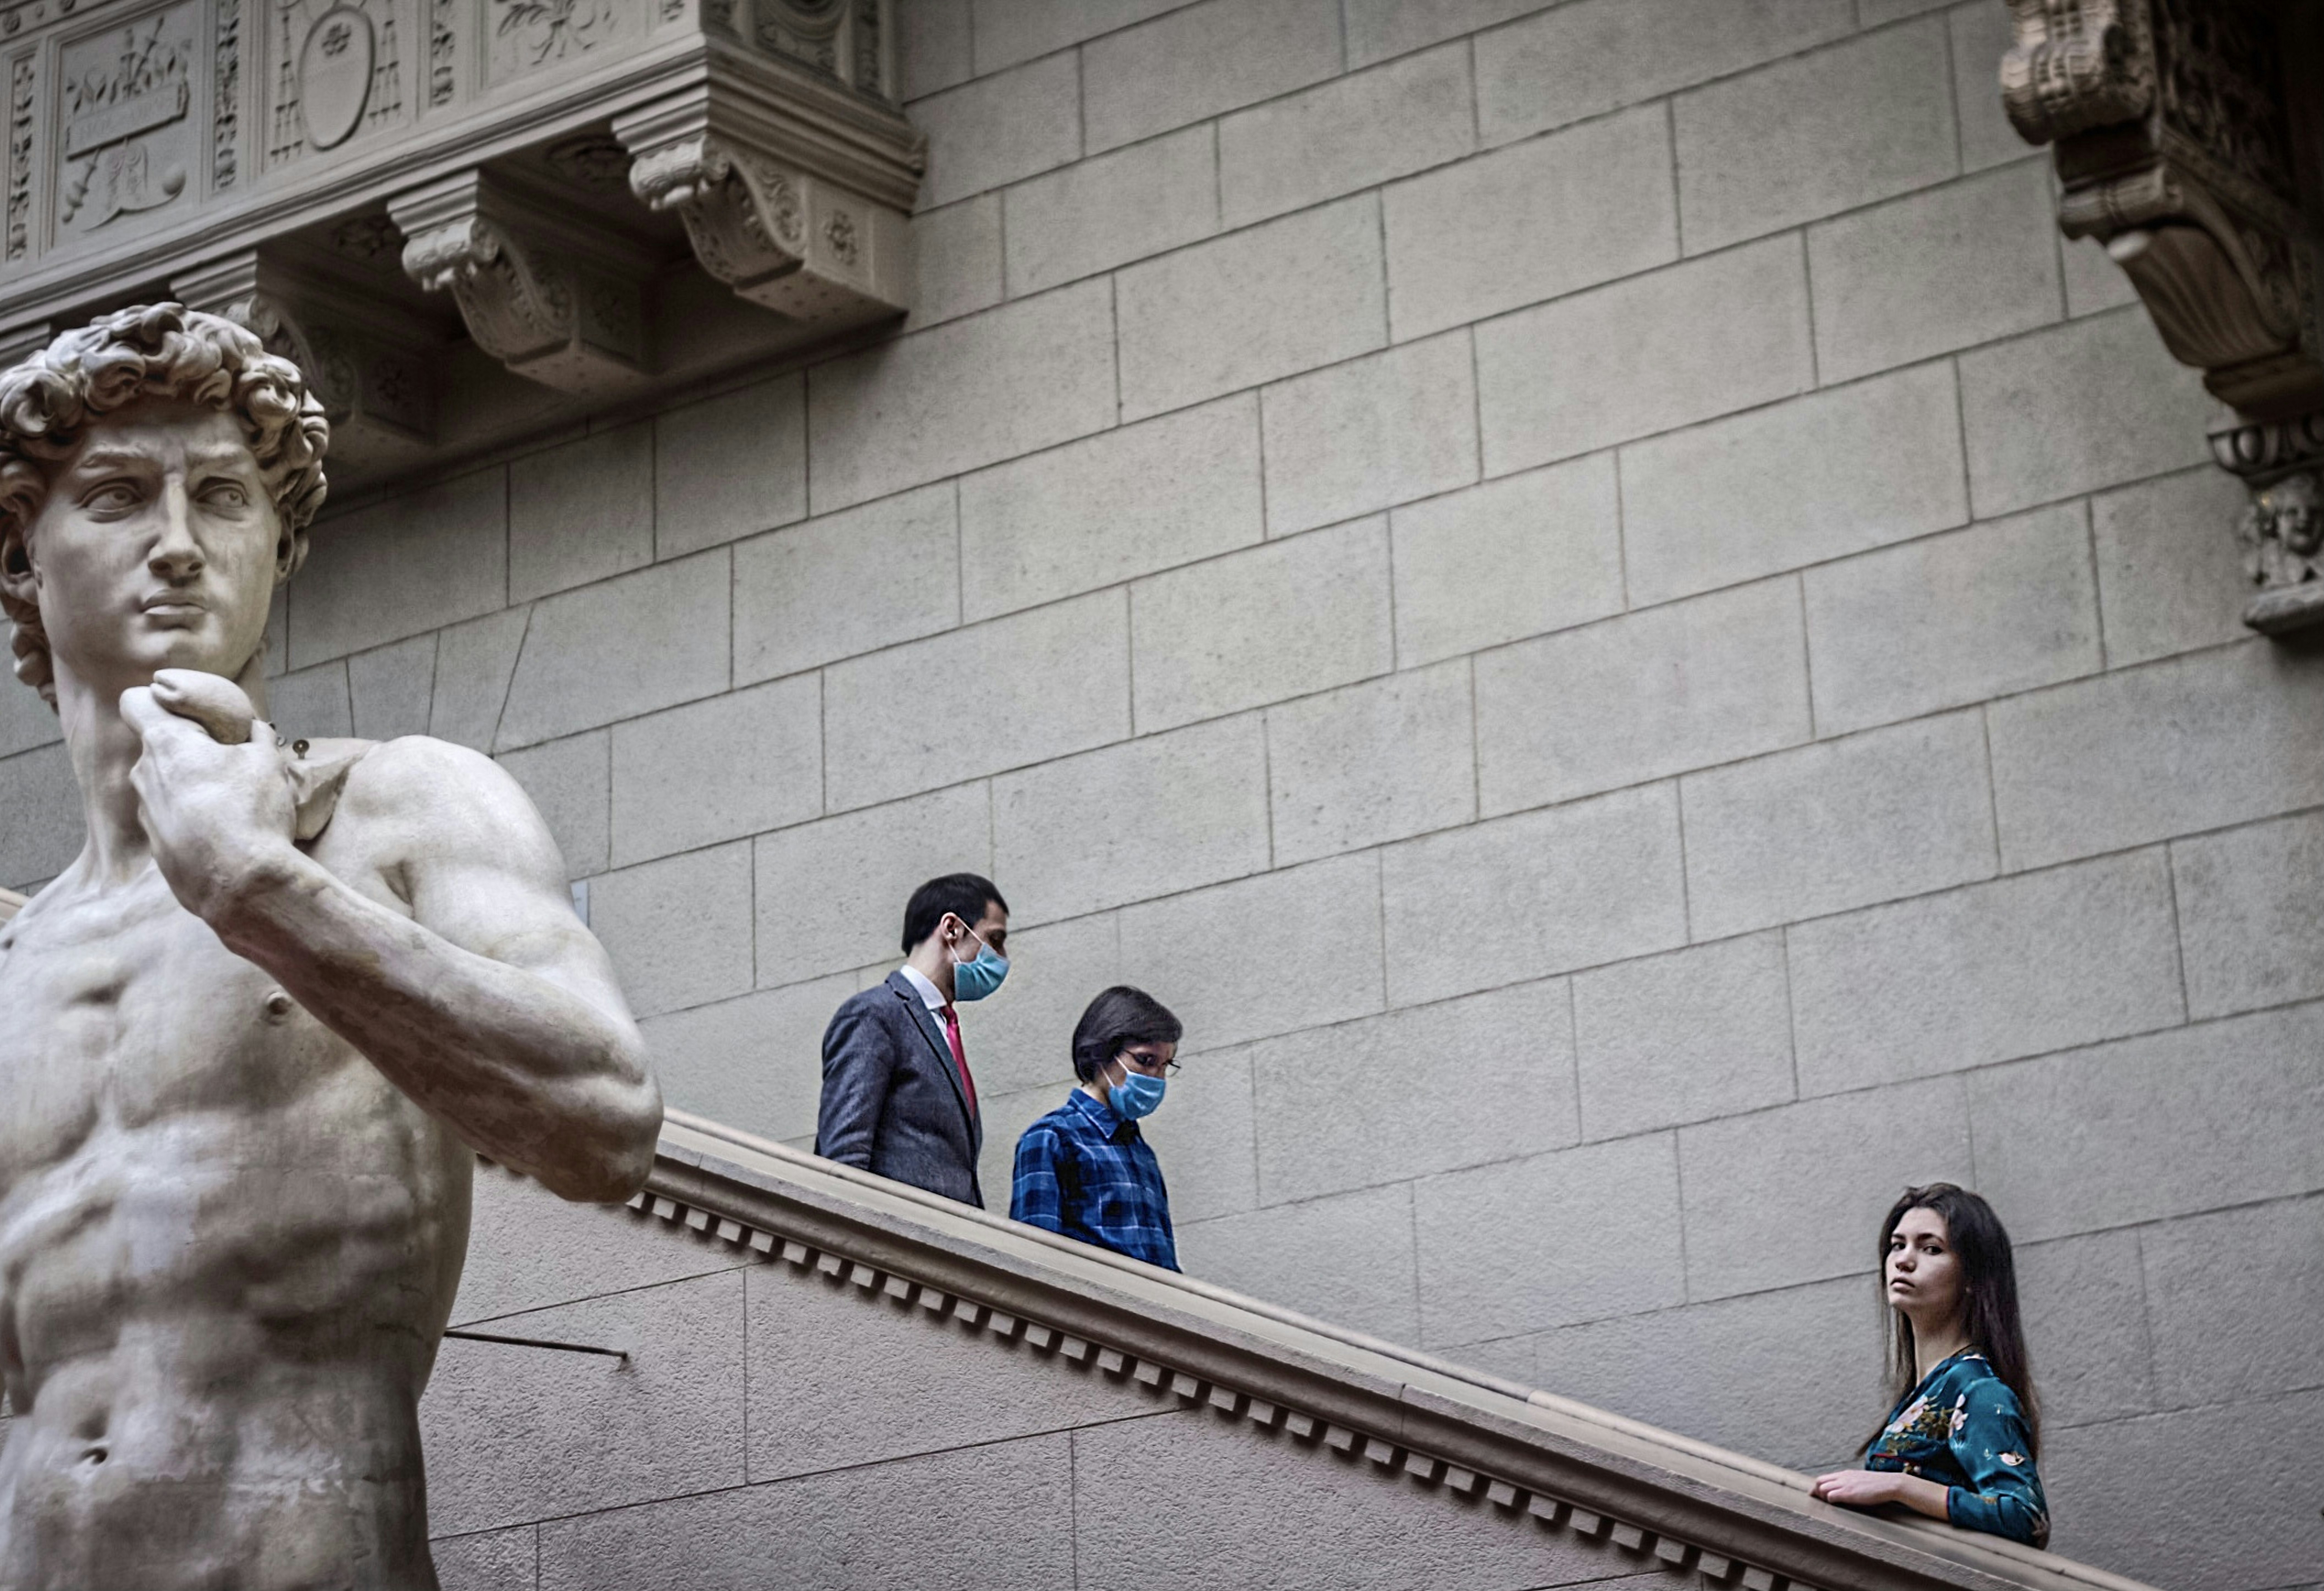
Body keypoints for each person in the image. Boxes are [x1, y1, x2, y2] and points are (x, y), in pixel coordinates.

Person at [0, 304, 662, 1588]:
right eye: (120, 497)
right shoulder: (18, 966)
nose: (178, 545)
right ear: (21, 558)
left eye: (224, 498)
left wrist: (259, 890)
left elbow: (604, 1116)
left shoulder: (395, 808)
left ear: (281, 543)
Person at [1812, 1183, 2050, 1548]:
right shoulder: (1929, 1389)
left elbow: (2026, 1516)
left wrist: (1900, 1486)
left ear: (1972, 1277)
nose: (1903, 1260)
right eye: (1897, 1245)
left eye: (1931, 1248)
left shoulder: (1977, 1389)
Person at [815, 872, 1008, 1206]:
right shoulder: (874, 1014)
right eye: (995, 938)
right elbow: (843, 1160)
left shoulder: (942, 1025)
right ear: (952, 928)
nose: (1002, 957)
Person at [1010, 986, 1184, 1270]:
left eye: (1165, 1065)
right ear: (1102, 1052)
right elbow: (1034, 1260)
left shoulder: (1142, 1153)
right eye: (1145, 1060)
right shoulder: (1052, 1137)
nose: (1157, 1077)